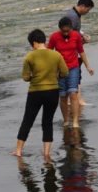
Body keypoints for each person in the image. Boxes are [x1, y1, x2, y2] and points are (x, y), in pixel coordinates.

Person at [12, 29, 69, 160]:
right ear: (44, 40)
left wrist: (34, 77)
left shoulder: (29, 57)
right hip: (53, 92)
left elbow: (25, 77)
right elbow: (65, 72)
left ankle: (19, 151)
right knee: (47, 122)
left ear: (34, 43)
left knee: (27, 121)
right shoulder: (56, 55)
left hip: (35, 92)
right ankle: (47, 153)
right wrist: (54, 76)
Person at [49, 16, 93, 129]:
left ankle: (75, 121)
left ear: (71, 28)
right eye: (63, 31)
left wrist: (88, 66)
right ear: (60, 29)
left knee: (73, 94)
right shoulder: (54, 37)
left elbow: (81, 52)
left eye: (68, 31)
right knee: (63, 96)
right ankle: (65, 120)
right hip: (60, 70)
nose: (65, 33)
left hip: (74, 67)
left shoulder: (76, 36)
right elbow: (49, 53)